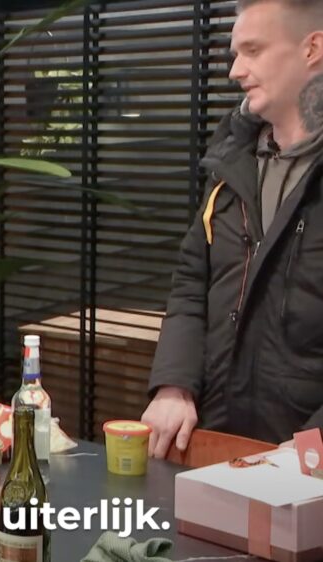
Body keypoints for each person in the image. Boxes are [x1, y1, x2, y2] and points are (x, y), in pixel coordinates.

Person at [144, 0, 323, 459]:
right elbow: (192, 284)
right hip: (215, 448)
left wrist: (312, 447)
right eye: (235, 54)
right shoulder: (231, 163)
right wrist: (174, 385)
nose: (235, 71)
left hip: (305, 465)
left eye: (253, 51)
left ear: (312, 48)